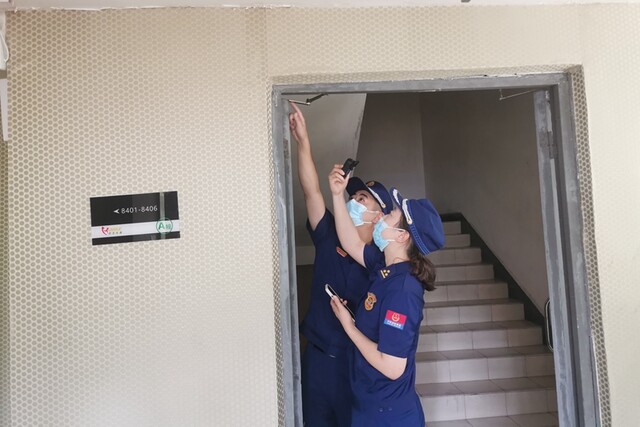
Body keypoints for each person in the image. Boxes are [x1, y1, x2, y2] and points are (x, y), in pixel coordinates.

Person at [289, 102, 393, 427]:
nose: (354, 202)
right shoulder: (329, 234)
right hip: (317, 359)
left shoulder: (380, 260)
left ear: (378, 215)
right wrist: (303, 142)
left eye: (363, 199)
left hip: (355, 363)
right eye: (354, 197)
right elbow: (311, 192)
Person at [328, 164, 445, 427]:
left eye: (391, 216)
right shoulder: (386, 267)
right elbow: (351, 243)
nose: (382, 217)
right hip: (371, 406)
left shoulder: (403, 290)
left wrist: (349, 326)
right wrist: (336, 195)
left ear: (401, 236)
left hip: (388, 415)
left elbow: (392, 367)